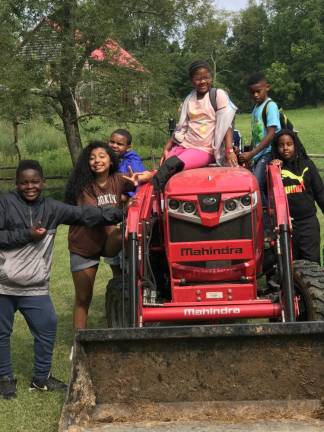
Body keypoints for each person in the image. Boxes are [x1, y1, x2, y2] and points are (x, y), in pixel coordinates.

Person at [0, 160, 123, 399]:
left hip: (35, 286)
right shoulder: (5, 204)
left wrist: (121, 212)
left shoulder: (52, 209)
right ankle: (5, 378)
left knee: (47, 328)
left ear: (43, 182)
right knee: (1, 333)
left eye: (35, 181)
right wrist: (26, 235)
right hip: (3, 285)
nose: (30, 187)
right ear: (16, 184)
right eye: (24, 182)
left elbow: (86, 215)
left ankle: (41, 378)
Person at [65, 141, 146, 330]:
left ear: (111, 160)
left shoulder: (117, 179)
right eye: (92, 158)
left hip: (108, 241)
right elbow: (95, 215)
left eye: (102, 156)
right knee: (84, 298)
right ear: (87, 163)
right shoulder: (84, 186)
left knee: (123, 231)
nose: (97, 161)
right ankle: (79, 342)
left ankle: (134, 272)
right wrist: (124, 210)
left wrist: (137, 185)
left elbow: (144, 181)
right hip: (84, 244)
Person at [153, 60, 238, 191]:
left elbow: (226, 124)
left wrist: (229, 151)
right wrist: (168, 146)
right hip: (185, 145)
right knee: (164, 166)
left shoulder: (218, 95)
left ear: (211, 77)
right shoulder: (189, 99)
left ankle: (153, 188)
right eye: (198, 79)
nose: (203, 81)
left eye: (206, 77)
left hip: (204, 149)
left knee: (170, 166)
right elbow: (182, 126)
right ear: (192, 80)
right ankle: (159, 200)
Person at [271, 129, 324, 264]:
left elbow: (320, 192)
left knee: (312, 263)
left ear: (295, 145)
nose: (285, 148)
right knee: (290, 264)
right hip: (287, 227)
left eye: (289, 144)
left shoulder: (307, 164)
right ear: (277, 148)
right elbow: (269, 197)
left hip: (308, 223)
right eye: (281, 145)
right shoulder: (274, 169)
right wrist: (273, 170)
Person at [239, 72, 281, 201]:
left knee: (255, 183)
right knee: (258, 186)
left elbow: (270, 134)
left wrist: (252, 153)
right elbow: (256, 134)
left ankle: (265, 217)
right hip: (258, 154)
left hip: (268, 153)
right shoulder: (256, 108)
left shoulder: (270, 106)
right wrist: (250, 154)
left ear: (267, 87)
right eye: (252, 92)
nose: (255, 95)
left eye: (259, 91)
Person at [107, 128, 152, 196]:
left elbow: (142, 176)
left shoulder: (132, 159)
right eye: (112, 142)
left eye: (119, 144)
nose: (114, 146)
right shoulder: (104, 155)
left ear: (128, 147)